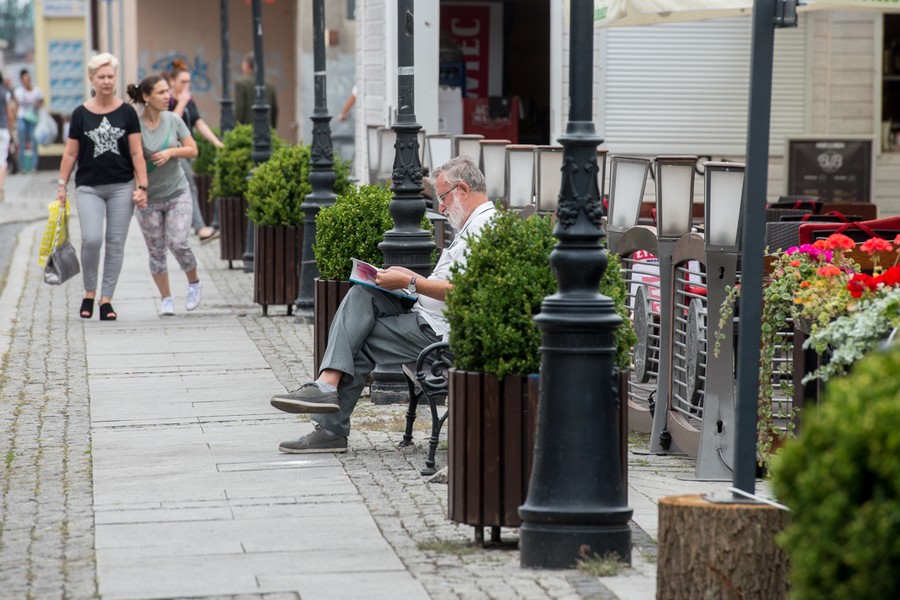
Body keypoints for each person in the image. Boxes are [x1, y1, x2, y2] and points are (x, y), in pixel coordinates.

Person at [270, 156, 497, 453]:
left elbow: (461, 292)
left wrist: (411, 283)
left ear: (463, 189)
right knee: (363, 293)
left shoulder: (482, 228)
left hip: (441, 335)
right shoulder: (474, 226)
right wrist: (409, 278)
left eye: (442, 198)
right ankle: (326, 391)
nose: (440, 207)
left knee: (360, 338)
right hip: (428, 318)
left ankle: (330, 423)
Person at [56, 53, 148, 321]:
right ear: (91, 79)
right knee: (92, 239)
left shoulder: (127, 112)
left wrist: (142, 186)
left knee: (115, 243)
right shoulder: (80, 114)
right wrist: (62, 185)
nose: (107, 81)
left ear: (115, 78)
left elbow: (137, 153)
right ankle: (89, 292)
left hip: (122, 186)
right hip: (89, 187)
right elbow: (70, 154)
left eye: (110, 76)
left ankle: (106, 299)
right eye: (101, 77)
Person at [127, 75, 204, 316]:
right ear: (146, 97)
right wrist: (139, 189)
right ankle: (166, 299)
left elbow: (193, 150)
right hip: (148, 197)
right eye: (160, 93)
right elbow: (132, 158)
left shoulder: (173, 120)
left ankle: (194, 282)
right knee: (156, 250)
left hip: (177, 191)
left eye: (167, 92)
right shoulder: (135, 124)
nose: (167, 97)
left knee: (178, 242)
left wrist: (171, 152)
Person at [168, 59, 223, 243]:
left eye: (188, 82)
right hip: (173, 149)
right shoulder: (167, 100)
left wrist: (215, 141)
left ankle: (180, 225)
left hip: (187, 148)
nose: (186, 85)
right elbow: (171, 122)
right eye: (183, 81)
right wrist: (182, 102)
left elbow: (198, 122)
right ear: (172, 81)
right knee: (190, 185)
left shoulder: (189, 100)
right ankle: (200, 228)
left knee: (182, 189)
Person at [233, 52, 278, 128]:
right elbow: (274, 109)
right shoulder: (270, 84)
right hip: (266, 128)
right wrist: (272, 129)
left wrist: (235, 128)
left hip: (246, 130)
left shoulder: (241, 83)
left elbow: (239, 108)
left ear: (247, 66)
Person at [14, 69, 44, 172]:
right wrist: (14, 120)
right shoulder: (18, 91)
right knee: (22, 142)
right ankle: (22, 167)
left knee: (34, 141)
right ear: (22, 80)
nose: (27, 81)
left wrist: (37, 105)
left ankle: (33, 167)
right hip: (22, 117)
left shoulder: (36, 90)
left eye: (28, 79)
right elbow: (16, 106)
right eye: (25, 79)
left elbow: (41, 101)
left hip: (32, 118)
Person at [0, 72, 16, 197]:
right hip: (3, 129)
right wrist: (11, 130)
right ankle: (0, 189)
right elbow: (10, 113)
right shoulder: (5, 93)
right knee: (2, 160)